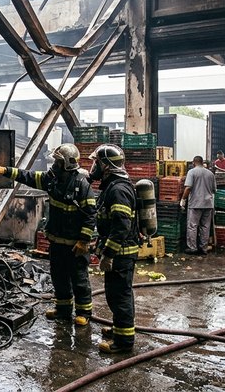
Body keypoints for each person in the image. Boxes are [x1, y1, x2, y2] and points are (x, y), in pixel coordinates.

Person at [0, 144, 96, 325]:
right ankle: (63, 310)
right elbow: (28, 176)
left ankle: (84, 313)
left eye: (58, 161)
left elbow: (90, 215)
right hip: (57, 241)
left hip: (75, 245)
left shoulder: (81, 184)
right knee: (59, 277)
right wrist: (6, 171)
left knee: (79, 279)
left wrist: (84, 241)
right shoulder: (51, 179)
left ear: (67, 163)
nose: (54, 165)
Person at [89, 144, 138, 354]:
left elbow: (121, 226)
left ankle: (124, 342)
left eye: (96, 163)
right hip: (119, 252)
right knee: (116, 294)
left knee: (119, 296)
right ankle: (119, 329)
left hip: (121, 254)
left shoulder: (118, 190)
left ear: (106, 166)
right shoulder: (113, 185)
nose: (93, 167)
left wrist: (108, 254)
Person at [180, 156, 216, 255]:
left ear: (193, 163)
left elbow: (188, 188)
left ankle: (192, 248)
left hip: (195, 204)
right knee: (205, 226)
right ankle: (203, 248)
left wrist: (183, 199)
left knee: (192, 226)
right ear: (202, 162)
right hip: (208, 204)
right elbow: (214, 190)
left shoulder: (192, 172)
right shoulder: (210, 174)